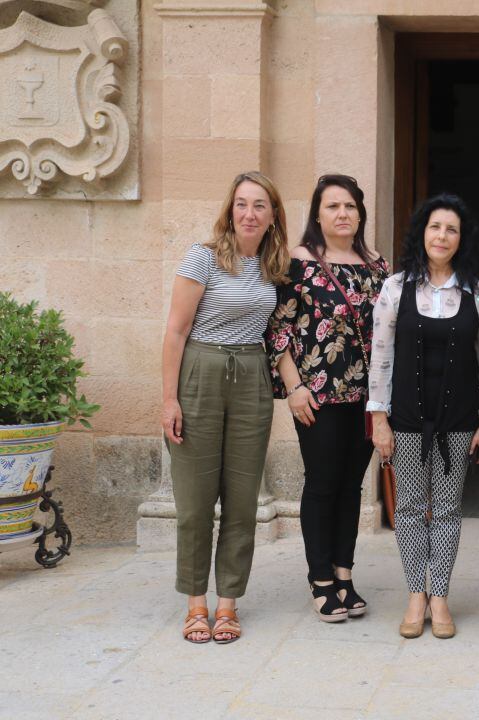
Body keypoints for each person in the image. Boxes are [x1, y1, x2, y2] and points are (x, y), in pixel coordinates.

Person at [162, 170, 290, 644]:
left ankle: (229, 603)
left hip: (252, 378)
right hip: (201, 371)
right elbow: (176, 330)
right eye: (241, 203)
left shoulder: (274, 265)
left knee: (241, 499)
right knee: (195, 502)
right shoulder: (205, 257)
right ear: (229, 209)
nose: (249, 213)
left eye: (259, 205)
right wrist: (169, 399)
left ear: (273, 214)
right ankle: (196, 604)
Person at [368, 194, 479, 639]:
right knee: (409, 509)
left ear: (462, 240)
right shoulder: (396, 288)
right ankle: (414, 593)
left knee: (446, 509)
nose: (442, 236)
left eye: (452, 229)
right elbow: (380, 357)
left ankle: (439, 595)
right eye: (435, 226)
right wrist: (378, 418)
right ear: (422, 232)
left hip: (458, 421)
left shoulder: (477, 292)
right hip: (405, 419)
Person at [266, 174, 389, 623]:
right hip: (317, 396)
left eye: (350, 207)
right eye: (333, 206)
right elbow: (278, 328)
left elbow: (386, 332)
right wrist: (294, 388)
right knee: (322, 483)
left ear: (361, 213)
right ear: (317, 214)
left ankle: (344, 574)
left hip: (365, 397)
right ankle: (320, 579)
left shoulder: (377, 265)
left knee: (352, 486)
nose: (342, 214)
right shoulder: (300, 261)